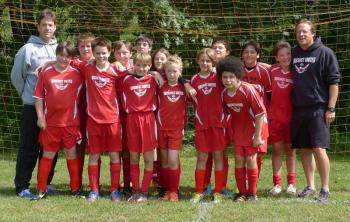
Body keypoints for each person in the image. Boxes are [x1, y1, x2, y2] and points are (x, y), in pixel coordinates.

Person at [291, 18, 340, 203]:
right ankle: (310, 186)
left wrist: (331, 108)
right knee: (305, 148)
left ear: (313, 33)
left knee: (319, 148)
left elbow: (334, 82)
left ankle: (325, 188)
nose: (301, 34)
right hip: (298, 109)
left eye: (305, 31)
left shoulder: (325, 53)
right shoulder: (294, 53)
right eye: (298, 32)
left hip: (319, 108)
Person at [11, 8, 58, 198]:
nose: (47, 28)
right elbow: (17, 77)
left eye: (50, 25)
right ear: (37, 26)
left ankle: (44, 183)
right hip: (32, 107)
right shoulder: (27, 49)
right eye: (44, 24)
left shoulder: (59, 49)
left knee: (50, 147)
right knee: (29, 147)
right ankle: (22, 186)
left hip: (54, 109)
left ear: (55, 27)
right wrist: (26, 95)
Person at [31, 41, 83, 200]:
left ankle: (75, 189)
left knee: (71, 153)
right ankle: (41, 189)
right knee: (48, 154)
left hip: (70, 123)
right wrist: (40, 117)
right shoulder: (46, 73)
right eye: (61, 55)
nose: (64, 59)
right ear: (57, 55)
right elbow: (39, 97)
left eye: (67, 56)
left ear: (71, 58)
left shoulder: (77, 74)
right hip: (50, 123)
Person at [80, 37, 125, 202]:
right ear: (93, 53)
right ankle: (94, 190)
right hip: (93, 120)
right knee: (94, 155)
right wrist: (46, 65)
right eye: (97, 53)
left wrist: (155, 73)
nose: (101, 56)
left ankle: (114, 190)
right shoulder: (87, 68)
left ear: (110, 52)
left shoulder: (116, 70)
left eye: (104, 53)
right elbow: (65, 62)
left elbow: (137, 72)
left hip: (112, 120)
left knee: (114, 155)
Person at [217, 56, 268, 202]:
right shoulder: (224, 94)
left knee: (251, 160)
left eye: (231, 77)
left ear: (238, 76)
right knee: (239, 160)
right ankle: (242, 192)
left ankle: (252, 194)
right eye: (225, 77)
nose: (227, 80)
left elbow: (260, 113)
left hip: (254, 129)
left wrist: (257, 136)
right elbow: (227, 115)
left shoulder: (247, 89)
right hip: (239, 131)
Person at [190, 48, 226, 204]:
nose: (205, 63)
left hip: (218, 123)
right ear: (198, 61)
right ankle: (199, 191)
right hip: (202, 123)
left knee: (218, 157)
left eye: (208, 61)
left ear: (213, 62)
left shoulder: (219, 77)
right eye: (202, 60)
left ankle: (218, 191)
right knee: (202, 157)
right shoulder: (194, 80)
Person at [122, 53, 158, 202]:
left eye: (145, 65)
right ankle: (135, 191)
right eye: (138, 65)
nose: (141, 68)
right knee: (134, 157)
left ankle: (144, 191)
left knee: (149, 158)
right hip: (132, 119)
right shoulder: (126, 80)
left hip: (148, 118)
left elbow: (172, 77)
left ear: (149, 66)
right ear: (133, 65)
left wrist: (156, 73)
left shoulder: (154, 79)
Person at [203, 39, 232, 195]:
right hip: (206, 121)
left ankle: (221, 185)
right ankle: (206, 184)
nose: (217, 50)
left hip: (224, 119)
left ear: (227, 52)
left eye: (220, 48)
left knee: (222, 153)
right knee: (206, 154)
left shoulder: (228, 71)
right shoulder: (206, 69)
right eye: (214, 48)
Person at [268, 41, 296, 195]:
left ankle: (291, 183)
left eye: (288, 54)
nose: (285, 57)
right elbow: (258, 68)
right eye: (281, 55)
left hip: (291, 118)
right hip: (274, 118)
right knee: (277, 150)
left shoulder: (297, 71)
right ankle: (277, 184)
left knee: (291, 150)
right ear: (276, 58)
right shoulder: (271, 70)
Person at [157, 55, 187, 202]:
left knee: (173, 159)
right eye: (169, 71)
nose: (172, 74)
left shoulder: (185, 87)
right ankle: (166, 189)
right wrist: (155, 73)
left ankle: (174, 191)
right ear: (165, 72)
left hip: (176, 129)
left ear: (180, 71)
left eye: (175, 71)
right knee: (164, 161)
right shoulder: (160, 85)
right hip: (161, 128)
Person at [241, 40, 272, 179]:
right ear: (242, 54)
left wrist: (268, 114)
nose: (249, 54)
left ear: (258, 55)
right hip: (242, 116)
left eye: (252, 52)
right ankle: (243, 183)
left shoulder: (264, 71)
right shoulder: (237, 70)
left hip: (259, 115)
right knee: (242, 151)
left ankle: (254, 181)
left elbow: (270, 94)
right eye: (246, 52)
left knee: (257, 150)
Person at [112, 40, 133, 195]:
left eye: (125, 52)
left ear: (130, 54)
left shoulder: (135, 68)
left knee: (127, 150)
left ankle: (127, 183)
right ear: (114, 54)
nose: (122, 56)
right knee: (115, 150)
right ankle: (114, 185)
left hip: (129, 115)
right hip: (112, 113)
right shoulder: (110, 68)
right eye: (119, 53)